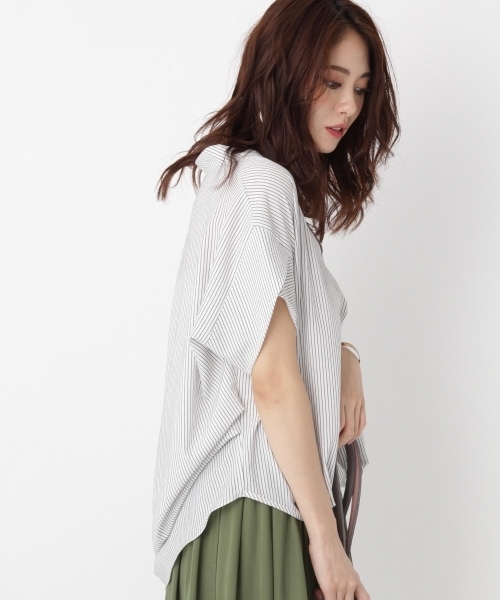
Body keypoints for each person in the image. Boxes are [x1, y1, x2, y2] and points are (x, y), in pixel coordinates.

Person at [152, 0, 400, 598]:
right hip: (253, 508)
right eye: (332, 82)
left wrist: (344, 355)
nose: (349, 106)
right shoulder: (259, 183)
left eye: (360, 88)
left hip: (266, 504)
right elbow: (270, 378)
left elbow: (267, 347)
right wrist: (326, 540)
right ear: (284, 72)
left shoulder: (254, 185)